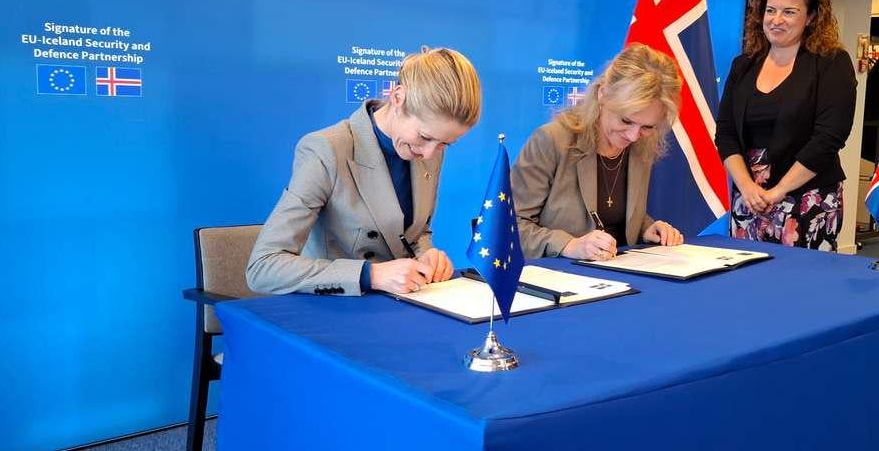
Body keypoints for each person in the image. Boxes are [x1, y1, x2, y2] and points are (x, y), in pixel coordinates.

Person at [247, 47, 481, 295]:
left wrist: (426, 255)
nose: (429, 154)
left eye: (444, 144)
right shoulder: (327, 150)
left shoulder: (428, 150)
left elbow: (412, 232)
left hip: (403, 302)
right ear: (398, 98)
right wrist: (370, 275)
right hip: (335, 307)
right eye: (424, 137)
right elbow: (263, 267)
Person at [714, 0, 856, 251]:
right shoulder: (743, 65)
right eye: (770, 10)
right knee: (746, 275)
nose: (776, 20)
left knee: (800, 278)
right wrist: (747, 187)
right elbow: (725, 133)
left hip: (807, 197)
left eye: (789, 12)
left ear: (811, 16)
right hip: (750, 198)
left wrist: (779, 190)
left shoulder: (831, 62)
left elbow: (828, 139)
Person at [511, 43, 685, 261]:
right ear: (602, 94)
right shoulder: (551, 141)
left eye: (647, 127)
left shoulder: (642, 144)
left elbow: (614, 214)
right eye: (626, 120)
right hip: (557, 274)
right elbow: (510, 225)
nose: (633, 136)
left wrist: (646, 228)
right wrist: (569, 245)